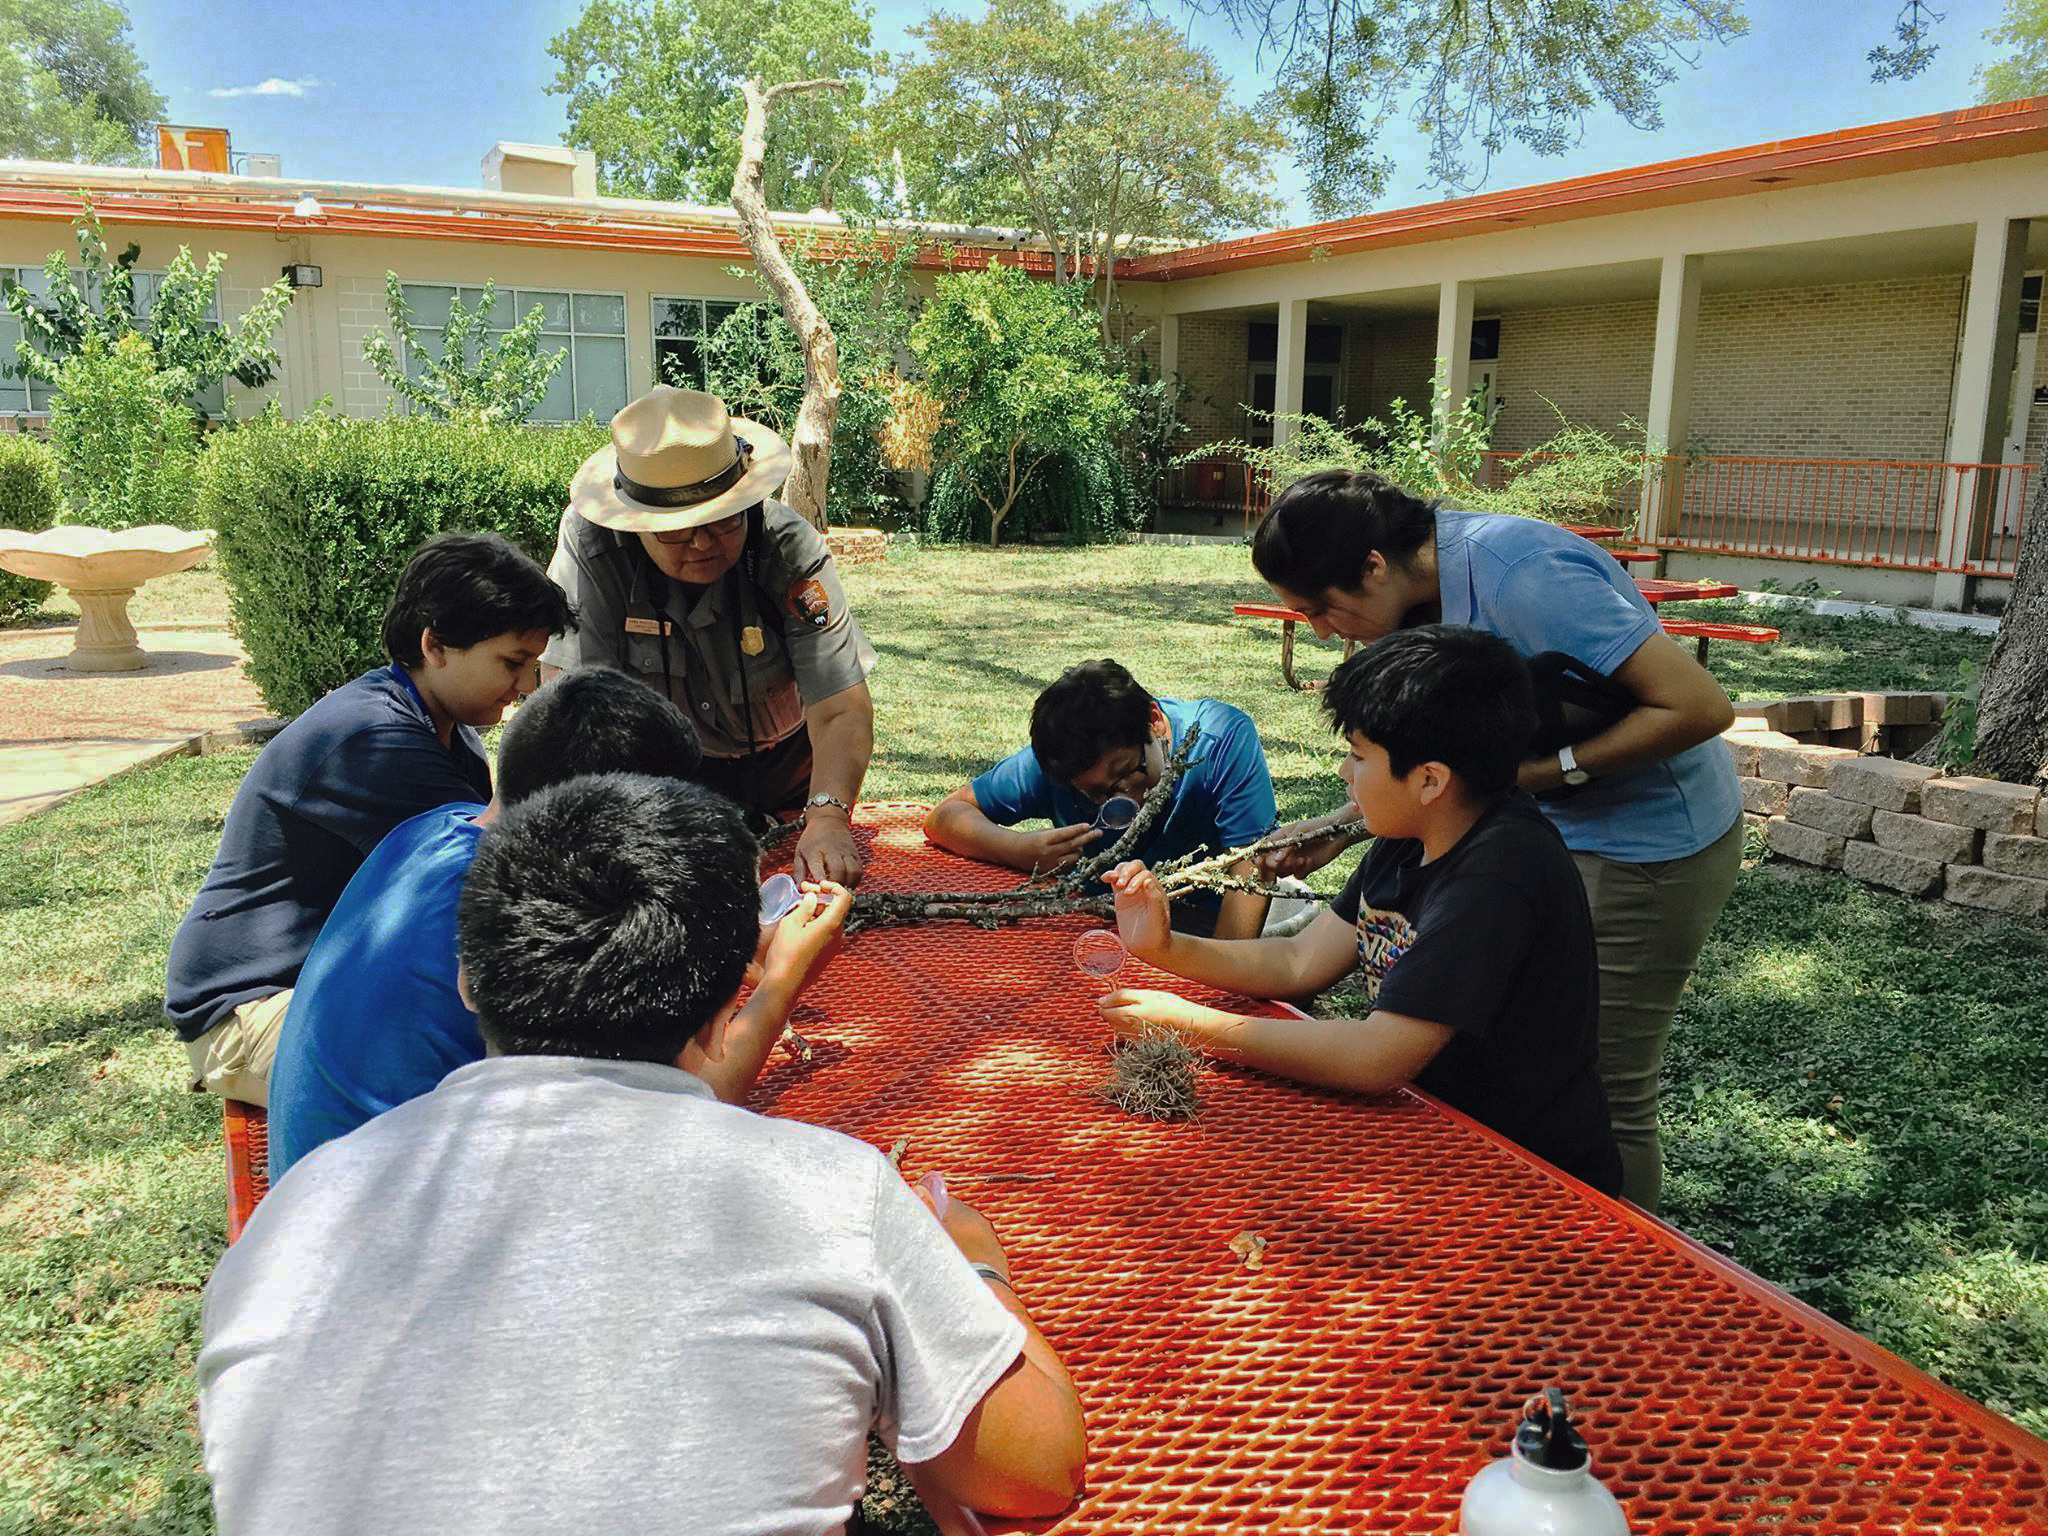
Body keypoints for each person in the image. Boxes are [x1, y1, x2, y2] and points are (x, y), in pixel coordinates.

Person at [198, 774, 1087, 1535]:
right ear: (728, 989)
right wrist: (974, 1267)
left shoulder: (294, 1216)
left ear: (471, 976)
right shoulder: (831, 1195)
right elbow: (1037, 1469)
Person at [1248, 470, 1739, 1210]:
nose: (1321, 630)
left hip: (1644, 841)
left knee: (1599, 1091)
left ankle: (1623, 1277)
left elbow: (1699, 705)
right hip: (1535, 822)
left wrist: (1539, 774)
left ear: (1374, 565)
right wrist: (1341, 826)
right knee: (1497, 1070)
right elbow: (1433, 766)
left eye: (1322, 607)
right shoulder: (1413, 600)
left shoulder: (1526, 578)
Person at [1097, 627, 1622, 1197]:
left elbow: (1373, 1059)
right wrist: (1165, 948)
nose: (1346, 774)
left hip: (1529, 1178)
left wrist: (1189, 1023)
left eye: (1358, 755)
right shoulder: (1412, 832)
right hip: (1437, 1141)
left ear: (1430, 780)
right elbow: (1301, 959)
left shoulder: (1498, 876)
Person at [266, 666, 849, 1174]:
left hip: (324, 1188)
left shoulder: (438, 827)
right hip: (421, 1225)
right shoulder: (531, 911)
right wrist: (783, 980)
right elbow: (689, 1106)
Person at [164, 532, 574, 1106]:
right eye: (512, 662)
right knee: (516, 1084)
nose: (527, 686)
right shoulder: (375, 740)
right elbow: (513, 884)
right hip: (252, 1011)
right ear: (435, 646)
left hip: (326, 987)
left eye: (533, 665)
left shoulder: (445, 730)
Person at [539, 384, 877, 887]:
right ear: (634, 523)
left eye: (721, 522)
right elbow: (573, 706)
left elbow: (840, 707)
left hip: (792, 761)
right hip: (668, 770)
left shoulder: (787, 549)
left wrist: (827, 817)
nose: (701, 543)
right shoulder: (591, 547)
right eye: (674, 529)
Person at [924, 659, 1279, 939]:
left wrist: (1218, 990)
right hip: (1093, 915)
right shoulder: (1059, 764)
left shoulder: (1220, 740)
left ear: (1154, 722)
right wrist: (1017, 849)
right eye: (1094, 795)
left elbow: (1251, 868)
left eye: (1126, 772)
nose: (1125, 800)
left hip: (1199, 920)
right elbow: (946, 817)